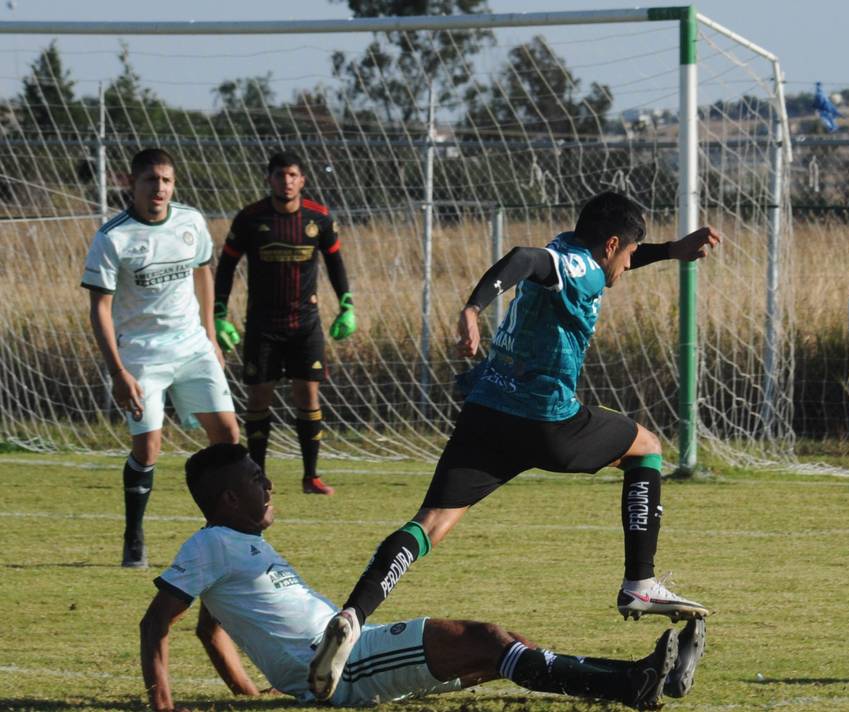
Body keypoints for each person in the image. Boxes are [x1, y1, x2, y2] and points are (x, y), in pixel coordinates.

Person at [307, 191, 719, 700]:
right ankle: (640, 583)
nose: (631, 260)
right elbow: (525, 258)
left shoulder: (570, 248)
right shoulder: (577, 266)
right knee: (646, 446)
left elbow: (560, 260)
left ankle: (352, 614)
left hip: (486, 413)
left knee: (430, 523)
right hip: (547, 424)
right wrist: (472, 309)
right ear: (611, 244)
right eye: (631, 252)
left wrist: (672, 250)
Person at [139, 443, 707, 711]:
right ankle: (632, 684)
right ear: (230, 497)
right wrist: (162, 704)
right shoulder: (210, 544)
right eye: (259, 478)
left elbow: (210, 629)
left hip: (334, 659)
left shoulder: (233, 547)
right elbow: (155, 622)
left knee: (501, 653)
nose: (269, 486)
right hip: (341, 668)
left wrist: (250, 691)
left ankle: (639, 678)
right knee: (488, 640)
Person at [82, 148, 239, 569]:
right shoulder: (113, 237)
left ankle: (222, 535)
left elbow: (204, 269)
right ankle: (134, 537)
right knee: (149, 449)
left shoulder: (190, 221)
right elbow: (99, 308)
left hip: (192, 348)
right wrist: (118, 371)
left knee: (228, 437)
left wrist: (211, 335)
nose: (160, 188)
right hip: (141, 356)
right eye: (151, 180)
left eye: (167, 180)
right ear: (132, 185)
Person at [213, 151, 356, 496]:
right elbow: (227, 267)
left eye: (293, 175)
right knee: (259, 398)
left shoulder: (318, 218)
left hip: (305, 324)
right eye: (280, 175)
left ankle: (311, 476)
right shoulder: (250, 219)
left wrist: (346, 303)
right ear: (269, 179)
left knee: (308, 396)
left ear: (302, 180)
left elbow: (335, 263)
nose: (286, 181)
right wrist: (218, 311)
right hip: (263, 324)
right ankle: (258, 477)